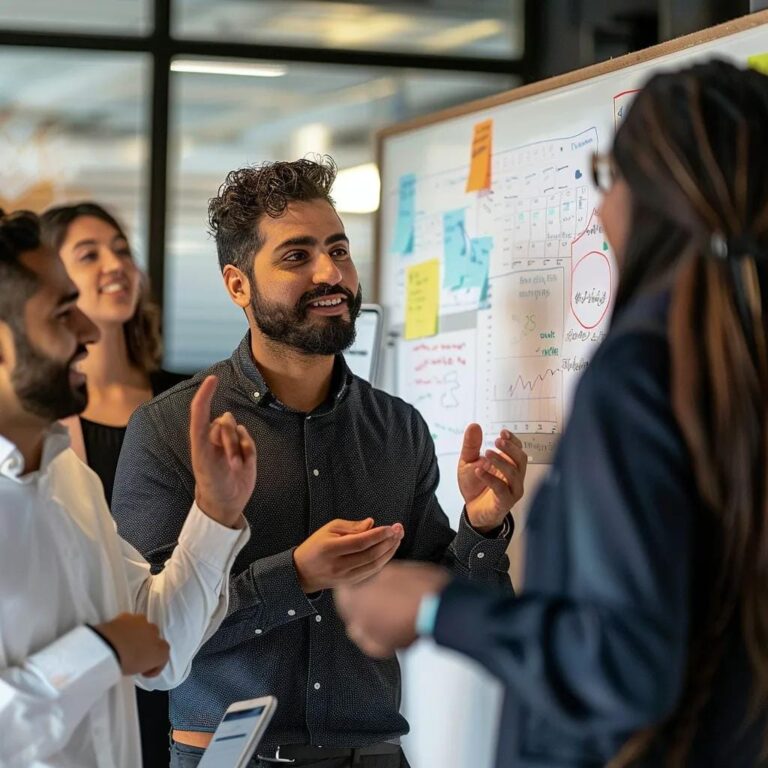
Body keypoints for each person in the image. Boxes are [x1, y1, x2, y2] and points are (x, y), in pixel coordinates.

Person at [335, 60, 768, 768]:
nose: (601, 211)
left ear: (660, 192)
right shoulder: (734, 361)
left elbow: (621, 661)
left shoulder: (642, 374)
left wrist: (435, 607)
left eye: (611, 178)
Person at [110, 157, 528, 768]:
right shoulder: (172, 428)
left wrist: (483, 526)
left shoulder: (396, 428)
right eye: (296, 256)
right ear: (237, 285)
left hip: (376, 756)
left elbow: (448, 609)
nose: (331, 273)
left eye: (339, 249)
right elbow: (147, 636)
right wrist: (295, 577)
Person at [0, 209, 257, 767]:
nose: (90, 333)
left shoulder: (71, 478)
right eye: (63, 314)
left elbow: (159, 647)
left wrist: (214, 512)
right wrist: (102, 652)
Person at [41, 201, 186, 767]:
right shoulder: (42, 431)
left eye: (122, 249)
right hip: (94, 673)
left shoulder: (187, 401)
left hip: (185, 659)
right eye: (89, 253)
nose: (115, 265)